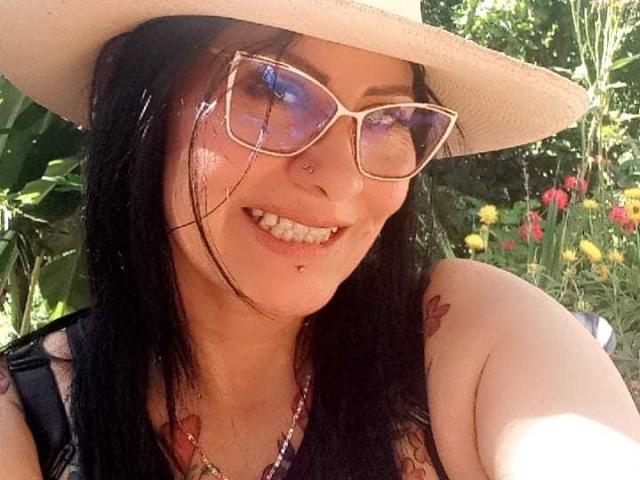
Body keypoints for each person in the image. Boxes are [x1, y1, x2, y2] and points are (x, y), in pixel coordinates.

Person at [0, 1, 639, 479]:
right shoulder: (25, 419)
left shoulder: (467, 341)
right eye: (275, 89)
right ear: (130, 90)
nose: (341, 180)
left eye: (390, 117)